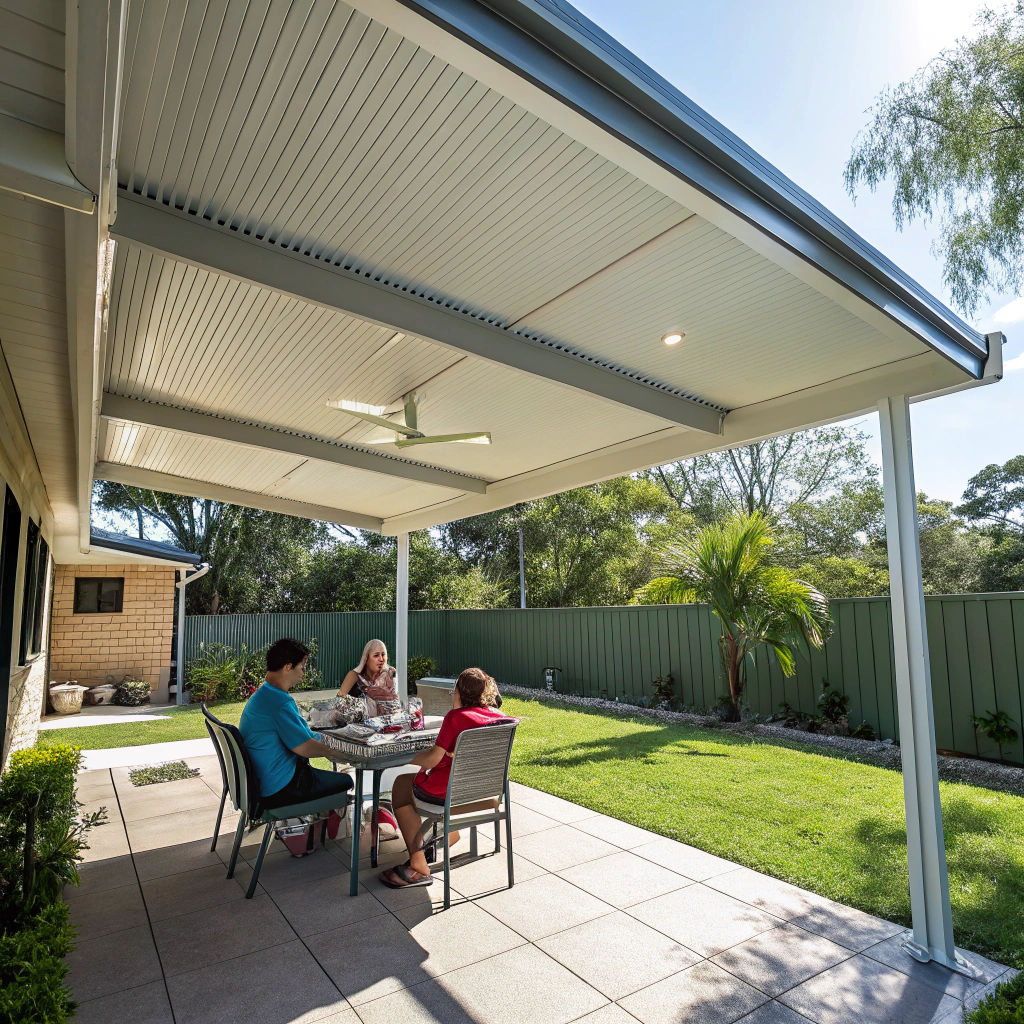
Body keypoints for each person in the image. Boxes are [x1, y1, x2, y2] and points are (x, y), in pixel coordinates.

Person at [378, 667, 507, 888]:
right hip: (484, 793)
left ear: (458, 692)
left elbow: (432, 761)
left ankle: (418, 863)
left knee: (401, 786)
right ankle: (448, 835)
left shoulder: (456, 718)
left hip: (450, 794)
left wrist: (408, 758)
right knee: (411, 785)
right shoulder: (500, 718)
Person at [239, 637, 352, 808]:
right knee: (346, 780)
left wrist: (334, 739)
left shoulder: (265, 695)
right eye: (302, 667)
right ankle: (326, 827)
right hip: (280, 787)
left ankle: (321, 827)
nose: (303, 672)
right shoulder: (279, 702)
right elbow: (305, 747)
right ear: (288, 667)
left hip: (265, 782)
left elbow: (304, 735)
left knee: (328, 776)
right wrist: (342, 752)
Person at [338, 639, 402, 717]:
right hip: (357, 724)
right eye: (376, 655)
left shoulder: (390, 674)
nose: (381, 659)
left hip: (387, 723)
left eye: (383, 654)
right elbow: (338, 703)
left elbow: (395, 704)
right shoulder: (354, 675)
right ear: (366, 658)